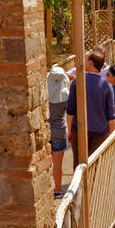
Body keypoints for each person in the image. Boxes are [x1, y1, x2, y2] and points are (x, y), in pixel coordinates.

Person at [66, 46, 115, 169]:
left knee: (78, 164)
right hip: (100, 132)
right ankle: (92, 187)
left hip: (79, 130)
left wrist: (69, 131)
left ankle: (80, 188)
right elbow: (111, 115)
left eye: (85, 59)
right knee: (95, 165)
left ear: (90, 63)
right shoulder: (106, 85)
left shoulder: (77, 81)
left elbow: (70, 110)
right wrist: (112, 135)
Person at [45, 65, 70, 197]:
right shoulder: (66, 94)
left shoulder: (44, 92)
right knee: (58, 163)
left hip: (46, 130)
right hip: (60, 130)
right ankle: (58, 190)